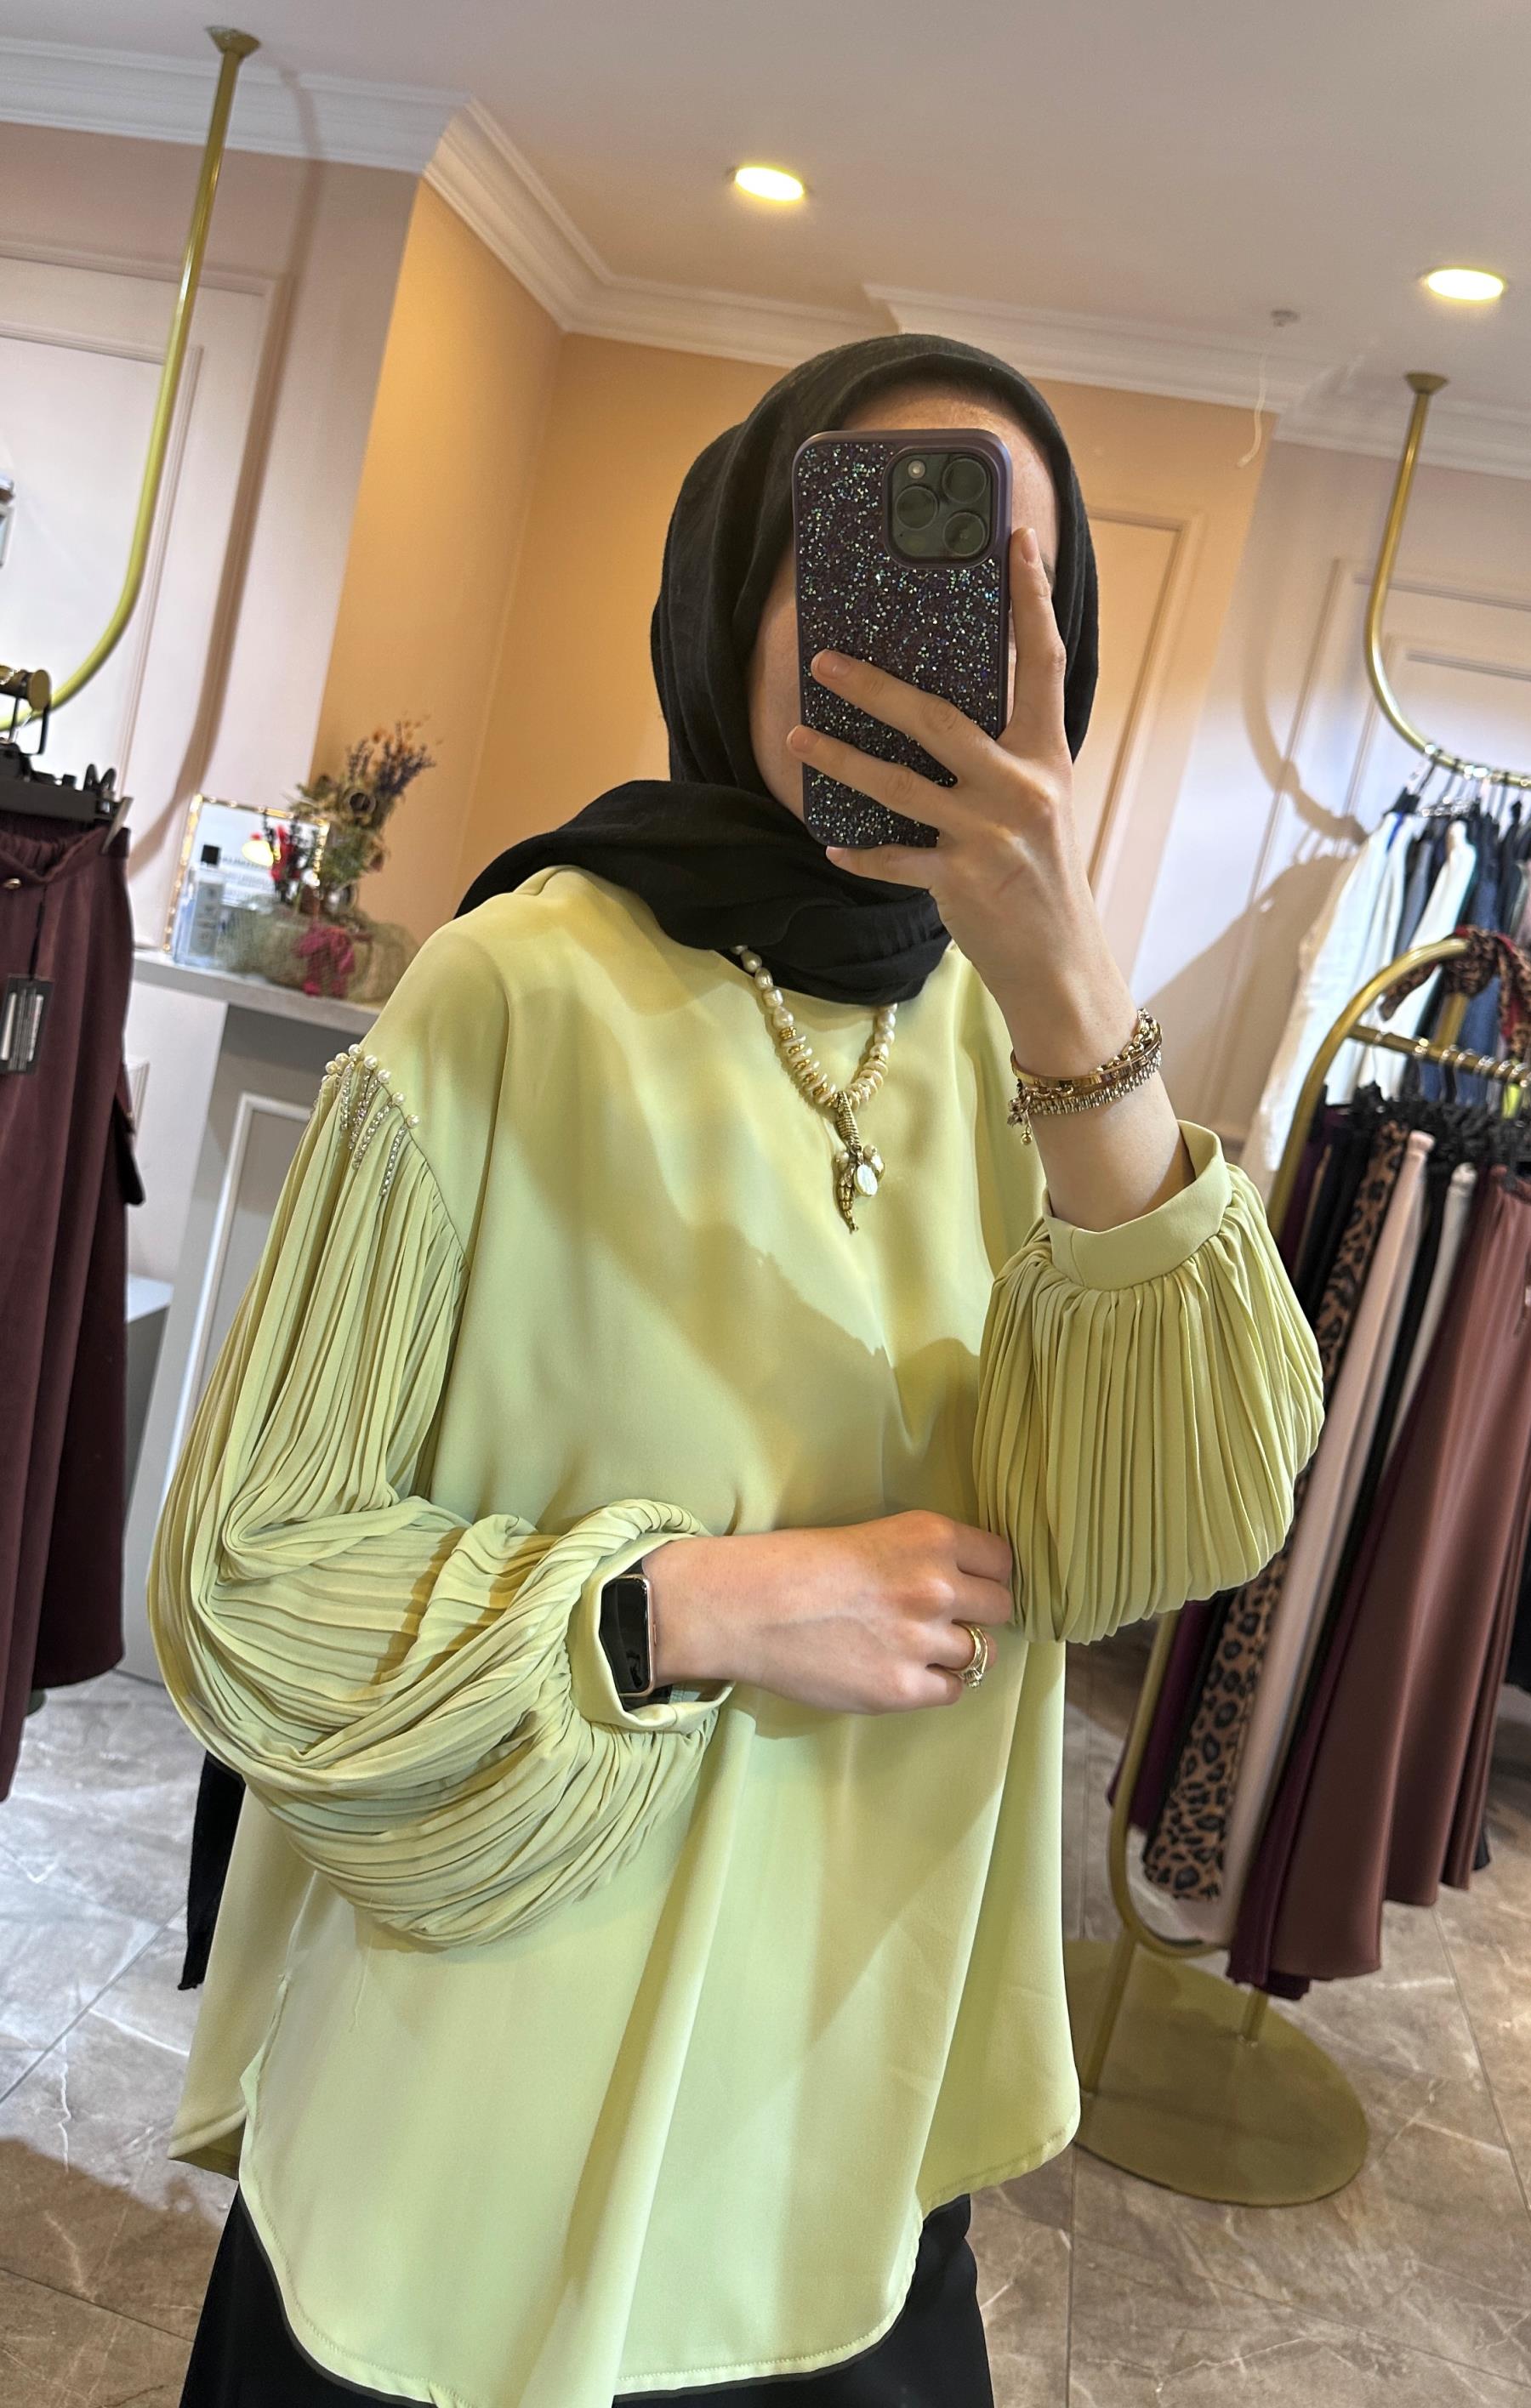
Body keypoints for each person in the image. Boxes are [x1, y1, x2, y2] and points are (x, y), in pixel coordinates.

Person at [151, 333, 1323, 2408]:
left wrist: (1070, 994)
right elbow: (248, 1577)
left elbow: (1177, 1528)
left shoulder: (1038, 1068)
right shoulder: (516, 991)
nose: (946, 635)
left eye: (1015, 588)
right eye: (874, 554)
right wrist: (687, 1606)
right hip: (479, 2116)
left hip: (840, 2133)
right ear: (735, 602)